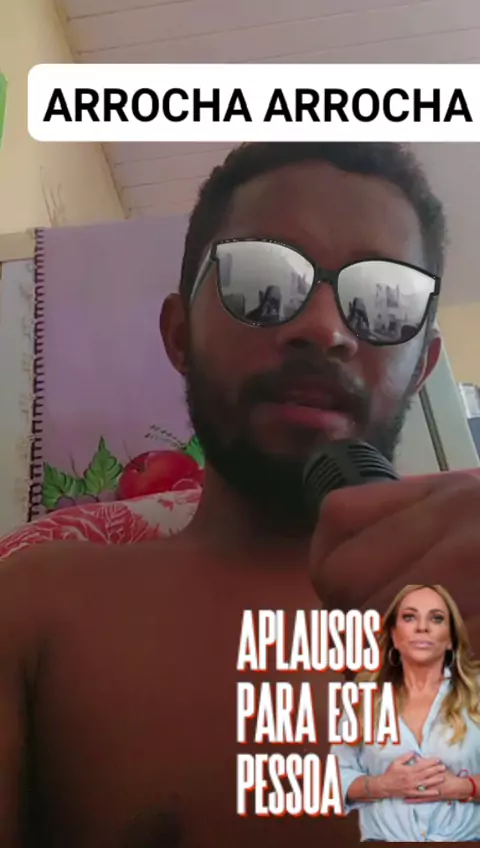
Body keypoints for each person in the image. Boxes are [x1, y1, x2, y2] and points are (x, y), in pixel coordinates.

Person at [2, 141, 480, 847]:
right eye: (262, 278)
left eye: (385, 300)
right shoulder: (35, 604)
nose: (324, 330)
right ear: (180, 335)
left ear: (421, 366)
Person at [334, 584, 480, 842]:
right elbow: (334, 780)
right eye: (410, 617)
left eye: (436, 618)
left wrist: (463, 787)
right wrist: (382, 786)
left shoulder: (476, 692)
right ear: (394, 635)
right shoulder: (364, 697)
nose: (422, 627)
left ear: (450, 639)